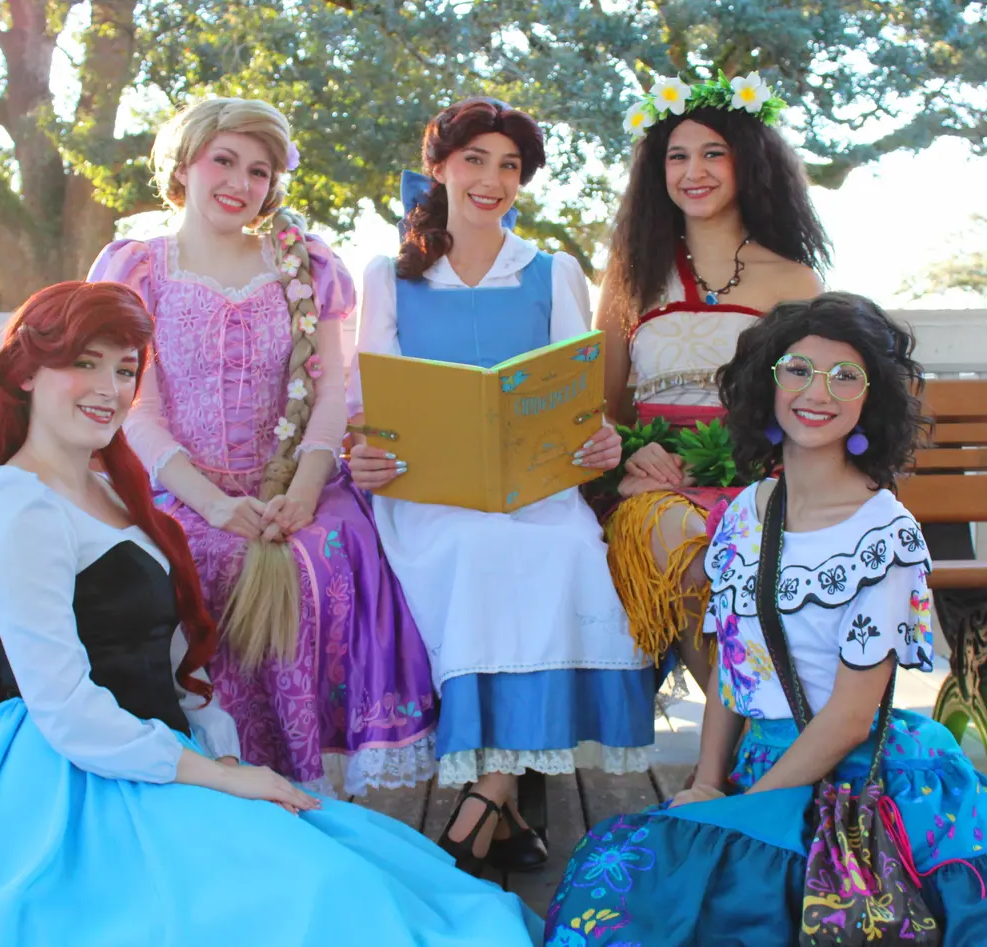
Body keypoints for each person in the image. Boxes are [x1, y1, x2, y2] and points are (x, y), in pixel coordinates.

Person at [0, 281, 544, 946]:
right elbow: (67, 709)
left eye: (125, 368)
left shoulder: (107, 490)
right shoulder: (19, 505)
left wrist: (227, 763)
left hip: (160, 756)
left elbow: (166, 673)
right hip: (75, 781)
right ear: (25, 371)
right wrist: (224, 774)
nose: (108, 386)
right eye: (85, 362)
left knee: (374, 874)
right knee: (316, 898)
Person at [545, 292, 987, 946]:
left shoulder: (882, 535)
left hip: (858, 783)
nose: (819, 391)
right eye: (798, 369)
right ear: (767, 383)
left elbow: (848, 718)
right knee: (618, 901)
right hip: (758, 762)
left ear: (873, 398)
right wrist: (706, 782)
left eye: (845, 376)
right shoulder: (751, 512)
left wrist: (744, 812)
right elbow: (734, 660)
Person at [87, 97, 436, 795]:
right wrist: (216, 504)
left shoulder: (303, 265)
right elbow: (136, 408)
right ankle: (220, 777)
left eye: (260, 170)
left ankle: (314, 782)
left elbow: (332, 392)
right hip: (185, 487)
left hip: (300, 486)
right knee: (200, 557)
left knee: (323, 555)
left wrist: (305, 490)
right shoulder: (138, 269)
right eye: (225, 161)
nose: (241, 183)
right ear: (184, 162)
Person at [347, 97, 659, 877]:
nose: (492, 179)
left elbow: (579, 413)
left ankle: (488, 793)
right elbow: (369, 410)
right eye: (475, 160)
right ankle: (503, 800)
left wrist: (601, 442)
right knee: (479, 548)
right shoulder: (388, 277)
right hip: (427, 491)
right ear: (441, 168)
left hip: (537, 490)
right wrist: (367, 455)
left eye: (509, 166)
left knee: (564, 549)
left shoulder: (553, 274)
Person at [597, 73, 829, 695]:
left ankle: (755, 748)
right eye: (677, 156)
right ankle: (743, 742)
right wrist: (628, 449)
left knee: (752, 548)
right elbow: (598, 406)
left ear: (747, 163)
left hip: (762, 475)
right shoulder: (630, 281)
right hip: (656, 483)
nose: (692, 171)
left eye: (712, 153)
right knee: (685, 547)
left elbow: (812, 400)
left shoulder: (794, 281)